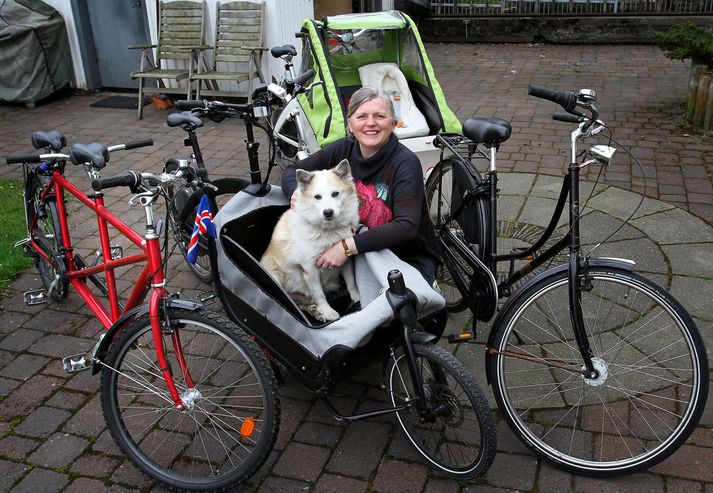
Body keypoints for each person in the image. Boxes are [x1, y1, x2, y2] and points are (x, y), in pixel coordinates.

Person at [281, 86, 440, 284]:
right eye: (361, 116)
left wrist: (346, 247)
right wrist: (295, 193)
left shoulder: (405, 163)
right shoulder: (342, 150)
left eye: (380, 116)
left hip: (405, 258)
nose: (370, 123)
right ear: (350, 124)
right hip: (360, 255)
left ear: (394, 123)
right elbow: (292, 171)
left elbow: (406, 226)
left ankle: (428, 292)